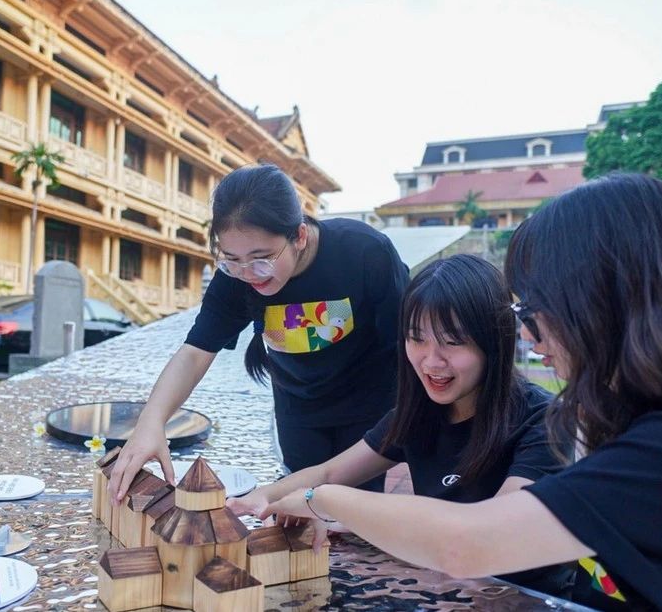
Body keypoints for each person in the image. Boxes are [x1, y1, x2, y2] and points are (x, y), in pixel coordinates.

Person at [262, 173, 662, 611]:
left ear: (601, 305)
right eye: (416, 338)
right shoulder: (631, 424)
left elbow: (468, 544)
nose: (533, 338)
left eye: (535, 312)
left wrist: (324, 501)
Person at [229, 254, 572, 595]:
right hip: (446, 588)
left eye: (452, 342)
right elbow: (330, 473)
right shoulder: (420, 412)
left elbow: (488, 538)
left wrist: (326, 502)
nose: (431, 361)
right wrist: (260, 499)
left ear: (494, 341)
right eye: (416, 338)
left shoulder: (542, 420)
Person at [108, 164, 409, 502]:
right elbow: (195, 352)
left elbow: (406, 345)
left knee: (353, 510)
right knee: (301, 507)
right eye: (232, 259)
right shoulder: (236, 277)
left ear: (299, 235)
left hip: (368, 406)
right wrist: (151, 422)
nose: (249, 273)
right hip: (299, 409)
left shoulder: (364, 253)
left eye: (262, 258)